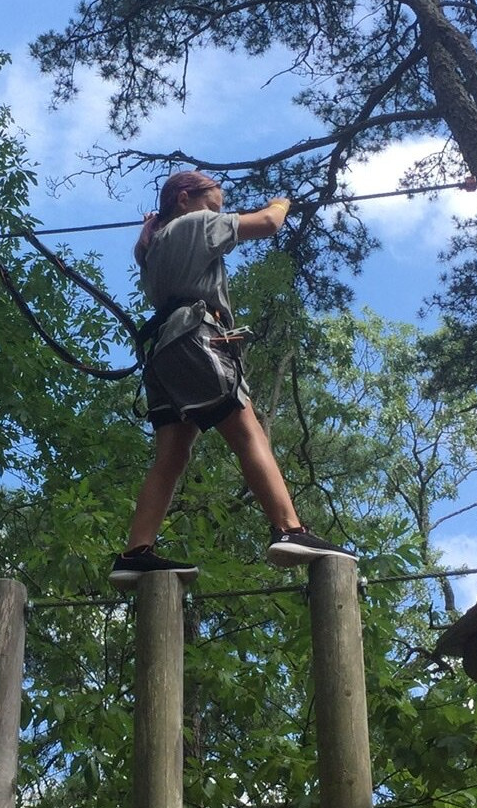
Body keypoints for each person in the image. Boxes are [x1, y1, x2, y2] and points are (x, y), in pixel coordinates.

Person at [108, 171, 355, 589]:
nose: (217, 211)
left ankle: (136, 552)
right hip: (196, 339)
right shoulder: (194, 222)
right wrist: (282, 202)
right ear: (185, 199)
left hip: (163, 352)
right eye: (213, 202)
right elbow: (269, 225)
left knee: (172, 451)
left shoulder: (153, 246)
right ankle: (289, 530)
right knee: (245, 429)